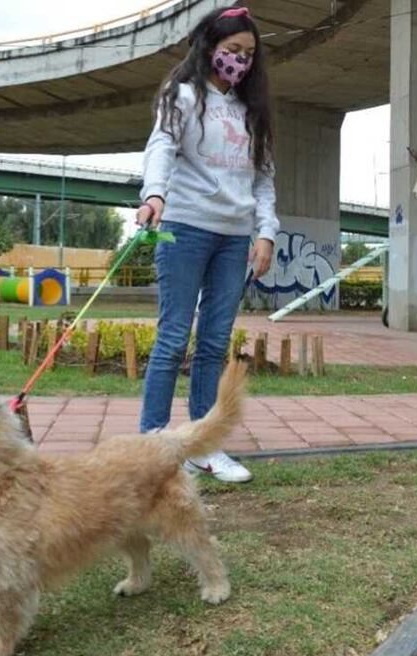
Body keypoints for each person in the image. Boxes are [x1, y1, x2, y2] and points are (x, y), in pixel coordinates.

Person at [136, 5, 277, 483]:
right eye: (232, 50)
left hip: (235, 238)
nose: (240, 60)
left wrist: (265, 232)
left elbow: (263, 182)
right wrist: (154, 195)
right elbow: (161, 148)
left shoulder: (251, 113)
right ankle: (153, 446)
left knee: (215, 343)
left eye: (249, 54)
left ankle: (203, 446)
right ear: (210, 48)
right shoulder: (183, 96)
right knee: (172, 339)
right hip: (185, 228)